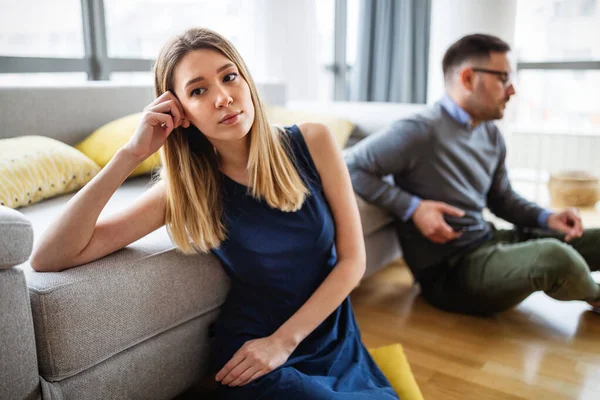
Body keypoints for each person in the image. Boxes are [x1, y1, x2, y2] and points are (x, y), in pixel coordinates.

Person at [30, 28, 397, 399]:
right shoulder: (185, 190)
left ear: (246, 81)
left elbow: (352, 260)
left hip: (324, 328)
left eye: (229, 76)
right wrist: (130, 155)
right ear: (180, 113)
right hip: (252, 342)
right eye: (198, 90)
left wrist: (283, 342)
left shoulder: (313, 141)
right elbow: (49, 257)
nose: (223, 98)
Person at [345, 33, 600, 317]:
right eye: (503, 78)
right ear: (467, 79)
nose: (512, 90)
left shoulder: (490, 134)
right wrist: (413, 208)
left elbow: (501, 198)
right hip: (450, 271)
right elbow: (351, 165)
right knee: (554, 257)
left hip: (487, 240)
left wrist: (546, 217)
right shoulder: (418, 131)